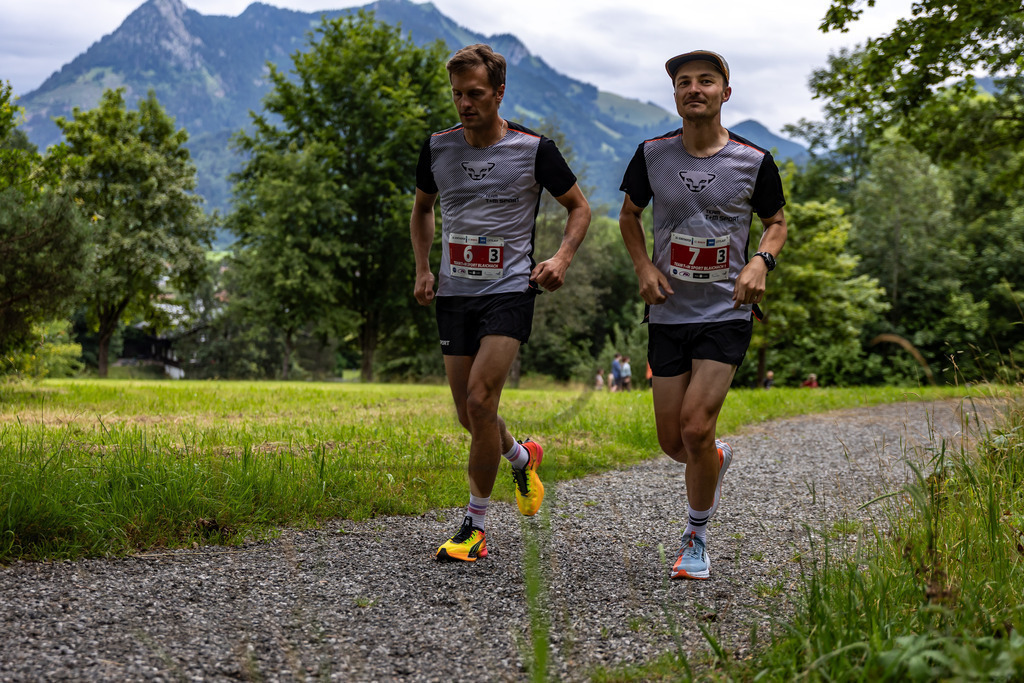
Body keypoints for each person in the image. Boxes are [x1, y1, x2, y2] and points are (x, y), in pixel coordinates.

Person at [410, 44, 591, 562]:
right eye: (457, 95)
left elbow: (579, 209)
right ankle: (522, 455)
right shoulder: (438, 148)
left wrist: (560, 258)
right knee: (471, 416)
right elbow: (422, 209)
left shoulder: (534, 149)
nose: (465, 104)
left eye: (475, 94)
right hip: (454, 292)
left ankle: (476, 527)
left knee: (481, 401)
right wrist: (423, 268)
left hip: (509, 290)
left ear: (499, 93)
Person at [618, 50, 788, 580]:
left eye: (707, 81)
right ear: (675, 96)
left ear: (725, 93)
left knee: (693, 430)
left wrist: (762, 260)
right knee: (674, 442)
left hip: (725, 313)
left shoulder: (753, 161)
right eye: (685, 82)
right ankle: (713, 457)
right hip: (668, 312)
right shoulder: (651, 154)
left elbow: (776, 222)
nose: (695, 89)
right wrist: (644, 266)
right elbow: (628, 216)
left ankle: (695, 539)